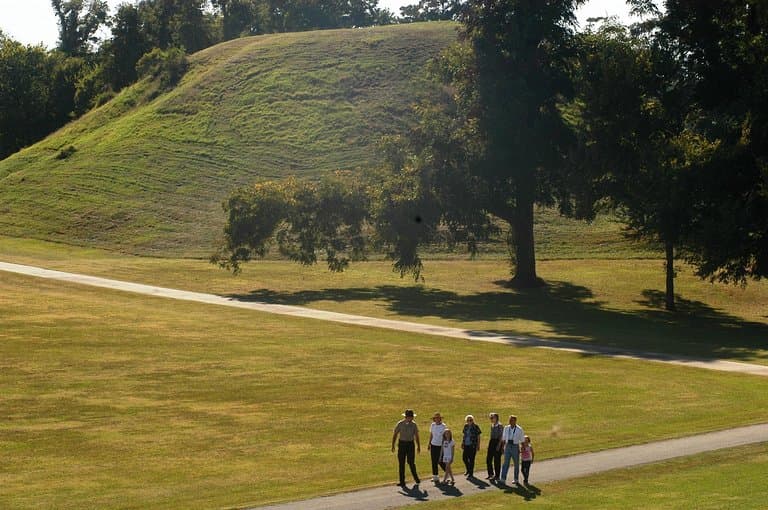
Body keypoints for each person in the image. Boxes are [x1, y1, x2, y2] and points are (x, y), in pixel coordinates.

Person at [391, 409, 421, 486]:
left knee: (411, 462)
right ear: (407, 417)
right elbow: (395, 434)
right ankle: (402, 481)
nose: (412, 418)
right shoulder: (400, 424)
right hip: (402, 444)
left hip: (410, 444)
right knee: (401, 463)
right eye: (410, 417)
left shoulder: (414, 425)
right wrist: (393, 445)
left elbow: (416, 436)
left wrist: (418, 446)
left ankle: (416, 479)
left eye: (412, 417)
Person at [500, 414, 525, 485]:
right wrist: (502, 447)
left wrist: (522, 448)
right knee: (505, 463)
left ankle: (516, 479)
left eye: (512, 420)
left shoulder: (519, 429)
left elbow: (522, 440)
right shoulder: (506, 428)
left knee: (516, 464)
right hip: (508, 446)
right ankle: (503, 478)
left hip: (515, 446)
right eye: (510, 420)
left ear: (515, 421)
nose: (510, 421)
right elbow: (504, 439)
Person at [428, 412, 448, 483]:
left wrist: (444, 446)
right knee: (434, 461)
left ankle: (447, 473)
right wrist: (429, 443)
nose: (437, 419)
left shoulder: (443, 426)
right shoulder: (432, 425)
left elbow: (445, 437)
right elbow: (431, 434)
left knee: (441, 461)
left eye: (438, 418)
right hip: (433, 445)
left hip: (440, 446)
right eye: (436, 418)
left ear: (440, 419)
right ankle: (435, 476)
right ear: (434, 419)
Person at [485, 412, 504, 481]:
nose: (491, 419)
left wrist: (499, 445)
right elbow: (491, 435)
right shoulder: (492, 425)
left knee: (497, 460)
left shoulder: (500, 425)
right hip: (492, 442)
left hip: (497, 442)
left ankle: (497, 475)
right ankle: (490, 474)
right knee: (488, 459)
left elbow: (501, 436)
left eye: (492, 417)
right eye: (491, 418)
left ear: (496, 418)